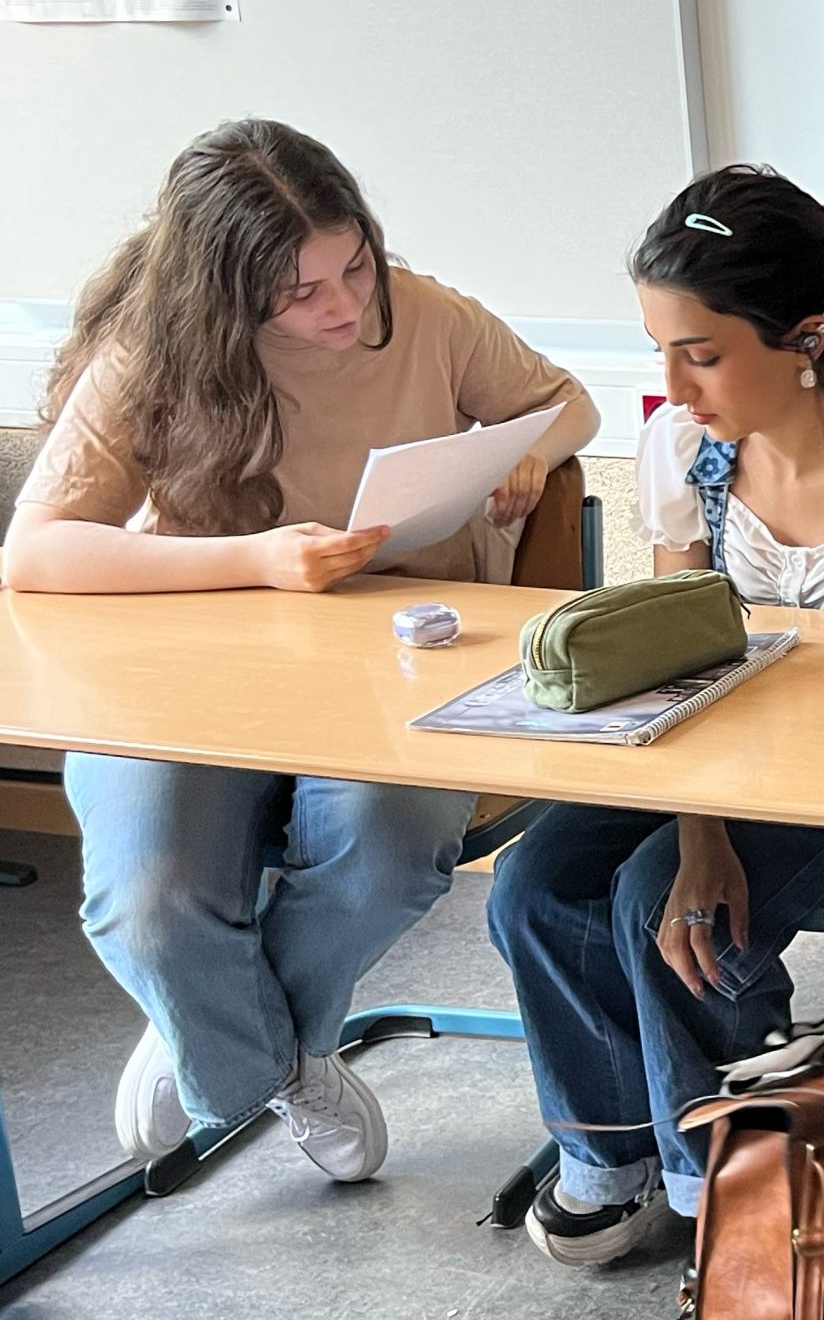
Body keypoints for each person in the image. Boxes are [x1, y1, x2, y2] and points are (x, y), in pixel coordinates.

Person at [5, 118, 598, 1181]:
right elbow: (36, 553)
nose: (345, 308)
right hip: (192, 664)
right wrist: (259, 560)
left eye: (354, 267)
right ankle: (264, 1051)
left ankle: (211, 1034)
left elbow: (568, 401)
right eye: (302, 292)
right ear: (224, 297)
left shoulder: (423, 315)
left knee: (389, 850)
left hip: (403, 661)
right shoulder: (151, 355)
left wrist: (532, 453)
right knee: (148, 902)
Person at [486, 165, 824, 1265]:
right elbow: (672, 666)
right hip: (712, 753)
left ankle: (733, 1179)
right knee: (534, 886)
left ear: (806, 337)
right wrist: (703, 829)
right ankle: (610, 1146)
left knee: (663, 908)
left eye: (702, 353)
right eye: (659, 349)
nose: (675, 386)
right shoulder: (687, 451)